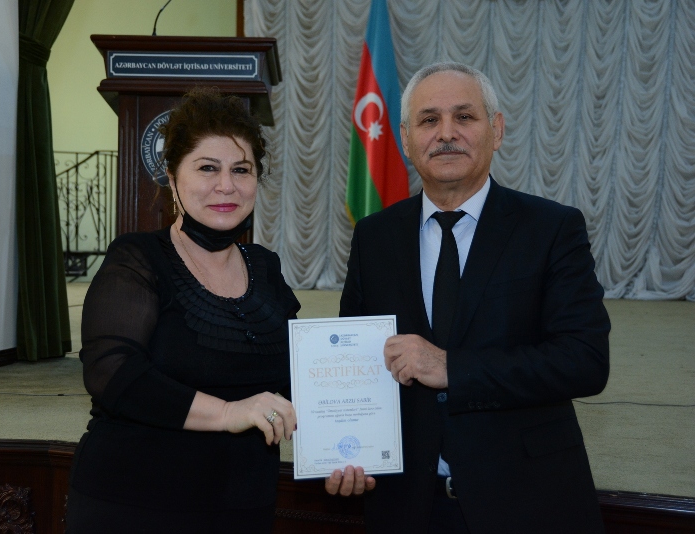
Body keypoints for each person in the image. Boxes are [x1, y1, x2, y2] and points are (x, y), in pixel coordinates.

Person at [326, 62, 610, 533]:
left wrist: (452, 368)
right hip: (406, 506)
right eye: (429, 120)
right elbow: (355, 366)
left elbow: (584, 361)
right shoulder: (374, 237)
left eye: (464, 116)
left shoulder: (552, 228)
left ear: (496, 130)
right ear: (405, 139)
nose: (446, 133)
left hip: (527, 502)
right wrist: (342, 447)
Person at [65, 88, 300, 533]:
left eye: (241, 170)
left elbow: (301, 377)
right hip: (136, 504)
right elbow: (111, 373)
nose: (226, 185)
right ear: (173, 179)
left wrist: (346, 448)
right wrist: (228, 413)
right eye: (207, 168)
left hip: (243, 505)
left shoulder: (265, 267)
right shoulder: (137, 258)